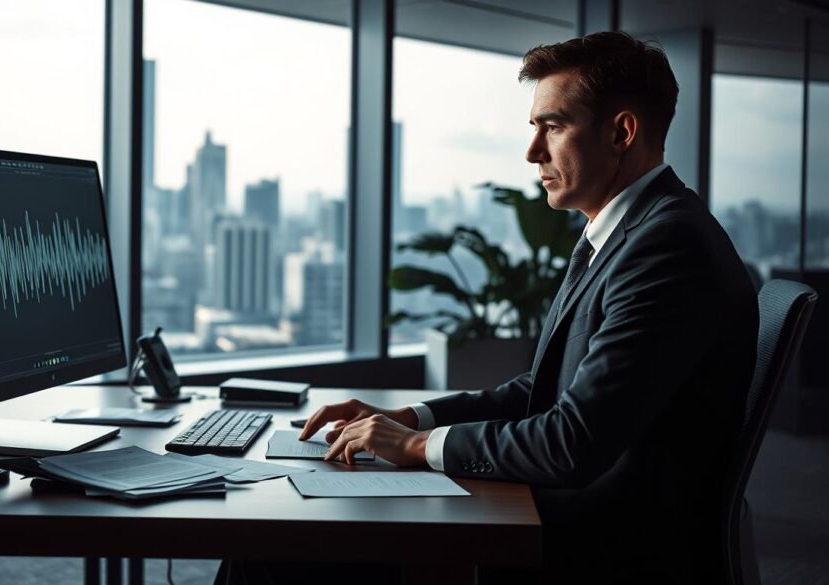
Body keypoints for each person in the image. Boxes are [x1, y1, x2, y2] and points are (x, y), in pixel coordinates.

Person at [219, 31, 758, 584]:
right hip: (568, 515)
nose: (532, 152)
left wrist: (414, 445)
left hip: (604, 548)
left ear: (621, 131)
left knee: (274, 550)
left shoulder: (667, 246)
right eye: (535, 128)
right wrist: (412, 419)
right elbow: (540, 390)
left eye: (554, 126)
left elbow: (573, 442)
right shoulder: (628, 233)